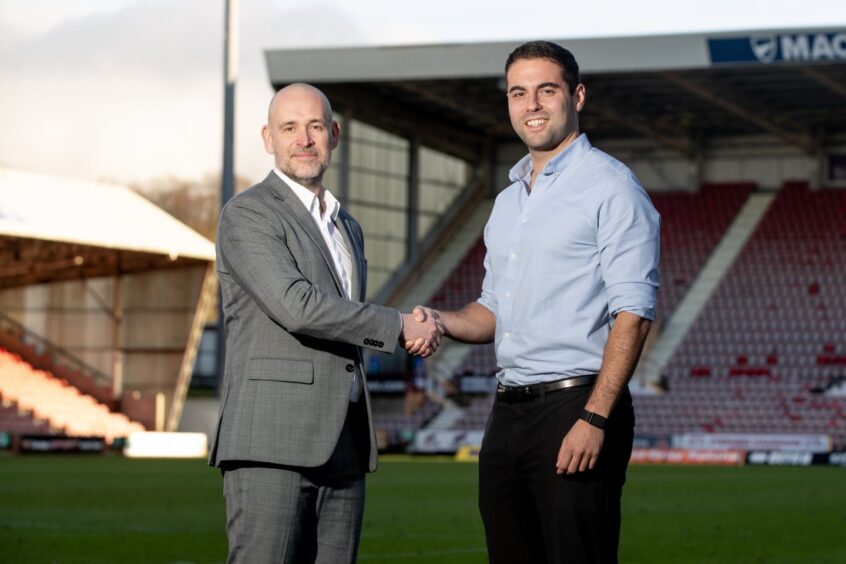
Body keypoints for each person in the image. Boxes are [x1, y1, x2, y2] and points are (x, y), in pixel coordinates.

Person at [409, 41, 660, 563]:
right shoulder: (506, 202)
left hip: (577, 406)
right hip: (507, 414)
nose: (532, 105)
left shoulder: (612, 188)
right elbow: (490, 311)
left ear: (577, 95)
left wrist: (594, 419)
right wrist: (442, 319)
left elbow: (633, 315)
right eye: (518, 93)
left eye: (547, 90)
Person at [209, 83, 441, 564]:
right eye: (289, 128)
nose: (304, 139)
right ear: (267, 138)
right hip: (271, 441)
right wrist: (399, 326)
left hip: (345, 442)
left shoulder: (346, 226)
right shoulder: (248, 213)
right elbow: (297, 305)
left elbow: (343, 321)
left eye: (315, 126)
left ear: (334, 134)